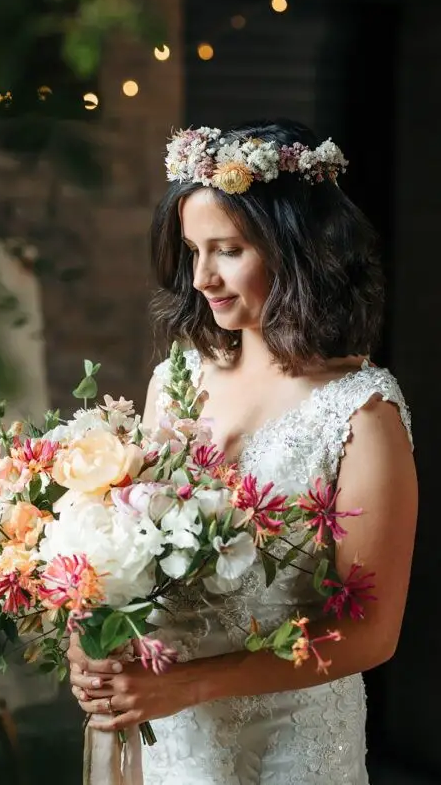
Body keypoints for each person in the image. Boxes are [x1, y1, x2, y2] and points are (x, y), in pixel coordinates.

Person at [67, 119, 418, 784]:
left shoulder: (361, 412)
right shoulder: (177, 378)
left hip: (286, 745)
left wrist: (192, 685)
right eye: (193, 251)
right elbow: (132, 550)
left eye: (226, 250)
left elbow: (372, 633)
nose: (202, 277)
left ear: (294, 250)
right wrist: (94, 638)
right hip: (167, 733)